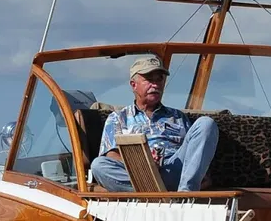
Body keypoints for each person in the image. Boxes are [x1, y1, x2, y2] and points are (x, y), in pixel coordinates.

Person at [89, 57, 219, 192]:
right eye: (150, 80)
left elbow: (194, 153)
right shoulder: (118, 118)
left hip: (174, 171)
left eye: (159, 79)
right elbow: (111, 154)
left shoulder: (178, 117)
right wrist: (144, 164)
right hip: (139, 175)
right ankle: (156, 191)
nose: (156, 85)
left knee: (206, 123)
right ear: (134, 85)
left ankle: (186, 194)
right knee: (99, 165)